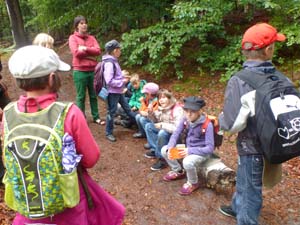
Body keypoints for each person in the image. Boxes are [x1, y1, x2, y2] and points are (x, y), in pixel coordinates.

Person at [4, 45, 125, 225]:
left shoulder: (8, 113)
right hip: (67, 203)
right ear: (52, 78)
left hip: (28, 207)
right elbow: (91, 159)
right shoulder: (69, 113)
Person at [218, 23, 287, 224]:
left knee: (250, 191)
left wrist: (221, 119)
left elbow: (232, 124)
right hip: (273, 142)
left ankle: (245, 216)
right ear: (268, 50)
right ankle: (236, 207)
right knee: (245, 180)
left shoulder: (240, 81)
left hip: (252, 147)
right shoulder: (280, 78)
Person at [161, 96, 214, 195]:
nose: (189, 114)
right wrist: (170, 147)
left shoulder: (207, 125)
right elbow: (176, 133)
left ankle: (193, 182)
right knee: (164, 150)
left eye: (192, 111)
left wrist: (189, 151)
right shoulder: (185, 119)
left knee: (187, 161)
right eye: (186, 111)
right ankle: (178, 171)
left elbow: (210, 148)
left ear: (199, 111)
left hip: (201, 152)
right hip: (187, 149)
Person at [69, 15, 105, 125]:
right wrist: (90, 51)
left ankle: (96, 117)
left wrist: (84, 48)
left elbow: (98, 51)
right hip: (79, 71)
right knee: (81, 96)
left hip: (92, 71)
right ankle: (81, 119)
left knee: (94, 95)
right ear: (76, 26)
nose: (84, 25)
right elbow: (76, 53)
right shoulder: (73, 38)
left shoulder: (92, 38)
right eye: (81, 23)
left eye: (85, 23)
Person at [103, 39, 137, 142]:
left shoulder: (113, 61)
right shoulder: (109, 63)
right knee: (111, 112)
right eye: (119, 49)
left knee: (127, 108)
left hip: (118, 91)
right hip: (113, 92)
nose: (120, 51)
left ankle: (139, 126)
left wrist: (120, 83)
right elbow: (108, 80)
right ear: (114, 50)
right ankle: (108, 132)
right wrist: (121, 82)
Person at [144, 89, 184, 171]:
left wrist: (162, 125)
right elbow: (156, 122)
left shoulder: (177, 110)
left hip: (178, 137)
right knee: (149, 126)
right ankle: (156, 150)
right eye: (159, 98)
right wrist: (151, 113)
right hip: (167, 131)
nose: (161, 100)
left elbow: (177, 129)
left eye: (164, 97)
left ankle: (162, 159)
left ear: (169, 98)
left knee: (162, 132)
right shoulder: (161, 108)